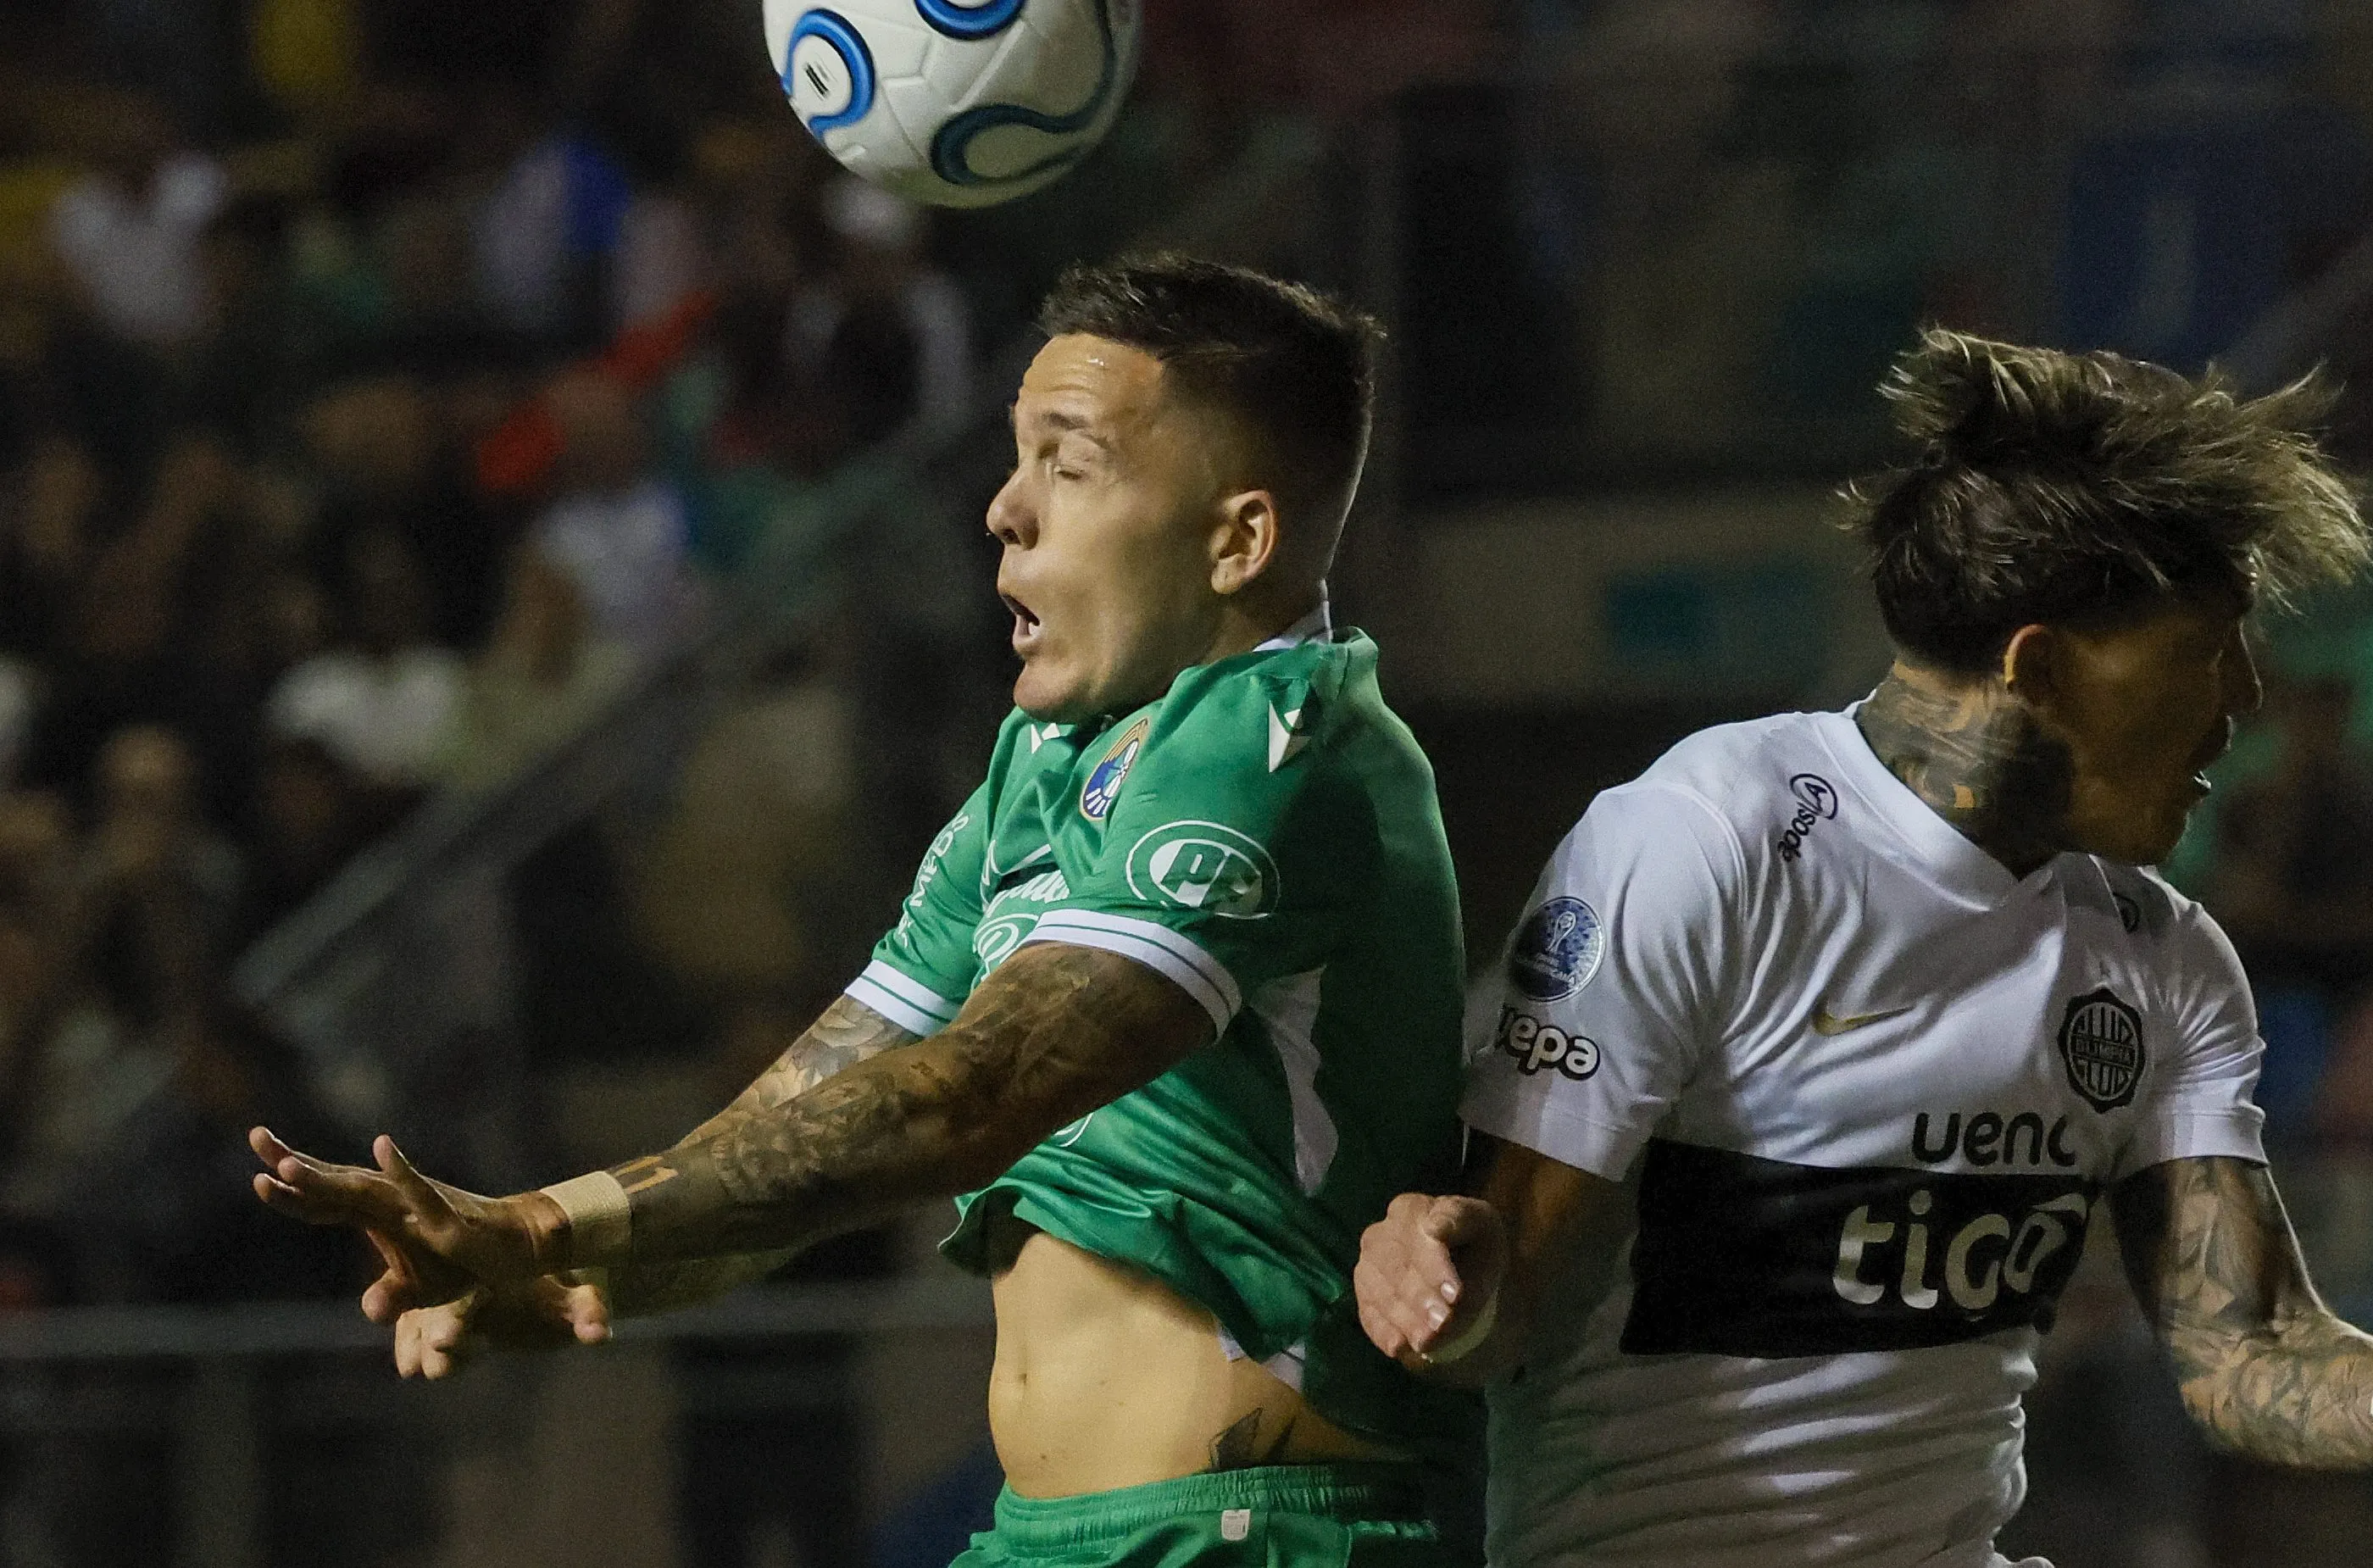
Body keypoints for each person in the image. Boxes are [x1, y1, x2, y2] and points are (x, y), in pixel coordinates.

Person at [1351, 330, 2373, 1568]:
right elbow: (1500, 1296)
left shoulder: (2156, 955)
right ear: (2036, 665)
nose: (2245, 703)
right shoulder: (1707, 841)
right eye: (2207, 653)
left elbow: (2245, 1353)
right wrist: (1439, 1272)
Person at [250, 256, 1483, 1565]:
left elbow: (974, 1088)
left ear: (1238, 538)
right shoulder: (1047, 766)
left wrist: (557, 1224)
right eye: (1015, 460)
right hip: (1051, 1538)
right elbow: (801, 1120)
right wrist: (571, 1261)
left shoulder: (1284, 748)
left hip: (1255, 1537)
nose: (1003, 509)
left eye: (1065, 466)